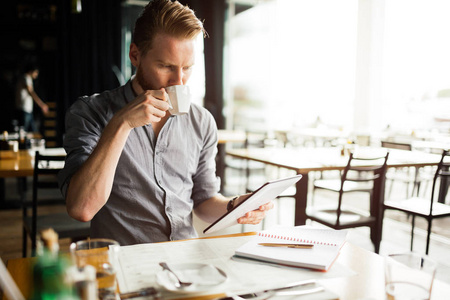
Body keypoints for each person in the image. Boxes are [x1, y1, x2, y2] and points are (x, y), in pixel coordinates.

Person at [58, 0, 273, 246]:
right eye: (166, 66)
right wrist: (122, 123)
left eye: (187, 68)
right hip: (124, 263)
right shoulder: (90, 112)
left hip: (184, 258)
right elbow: (81, 208)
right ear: (135, 55)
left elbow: (203, 203)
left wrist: (235, 206)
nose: (178, 81)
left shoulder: (201, 122)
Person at [15, 63, 49, 132]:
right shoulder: (26, 77)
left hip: (27, 110)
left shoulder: (28, 79)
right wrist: (42, 105)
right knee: (24, 132)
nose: (36, 74)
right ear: (31, 71)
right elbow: (31, 92)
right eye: (36, 72)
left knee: (33, 131)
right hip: (24, 109)